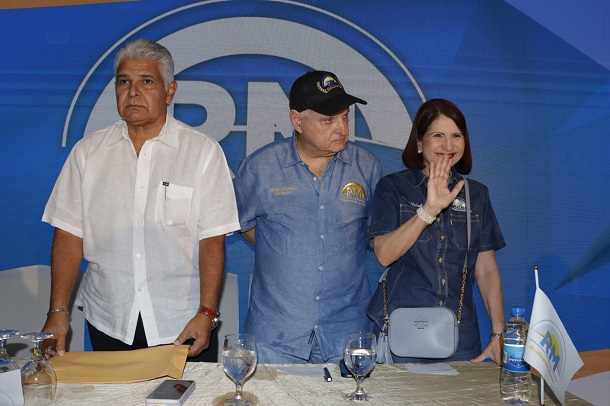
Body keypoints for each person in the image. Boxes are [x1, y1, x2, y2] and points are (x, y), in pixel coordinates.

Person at [41, 39, 239, 361]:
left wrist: (207, 313)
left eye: (146, 81)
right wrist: (58, 310)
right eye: (124, 82)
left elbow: (211, 240)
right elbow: (68, 233)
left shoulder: (202, 152)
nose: (133, 92)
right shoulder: (88, 152)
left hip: (183, 322)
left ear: (170, 91)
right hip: (110, 319)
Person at [233, 70, 382, 364]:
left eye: (345, 117)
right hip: (276, 335)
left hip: (347, 334)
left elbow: (374, 235)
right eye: (328, 120)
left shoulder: (366, 167)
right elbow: (238, 222)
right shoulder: (260, 168)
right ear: (297, 120)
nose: (341, 128)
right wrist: (281, 248)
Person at [366, 99, 505, 364]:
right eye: (438, 135)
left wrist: (498, 332)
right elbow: (384, 254)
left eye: (456, 136)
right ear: (419, 142)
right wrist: (429, 208)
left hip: (459, 338)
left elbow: (486, 269)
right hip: (402, 334)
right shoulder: (393, 187)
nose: (449, 145)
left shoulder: (476, 194)